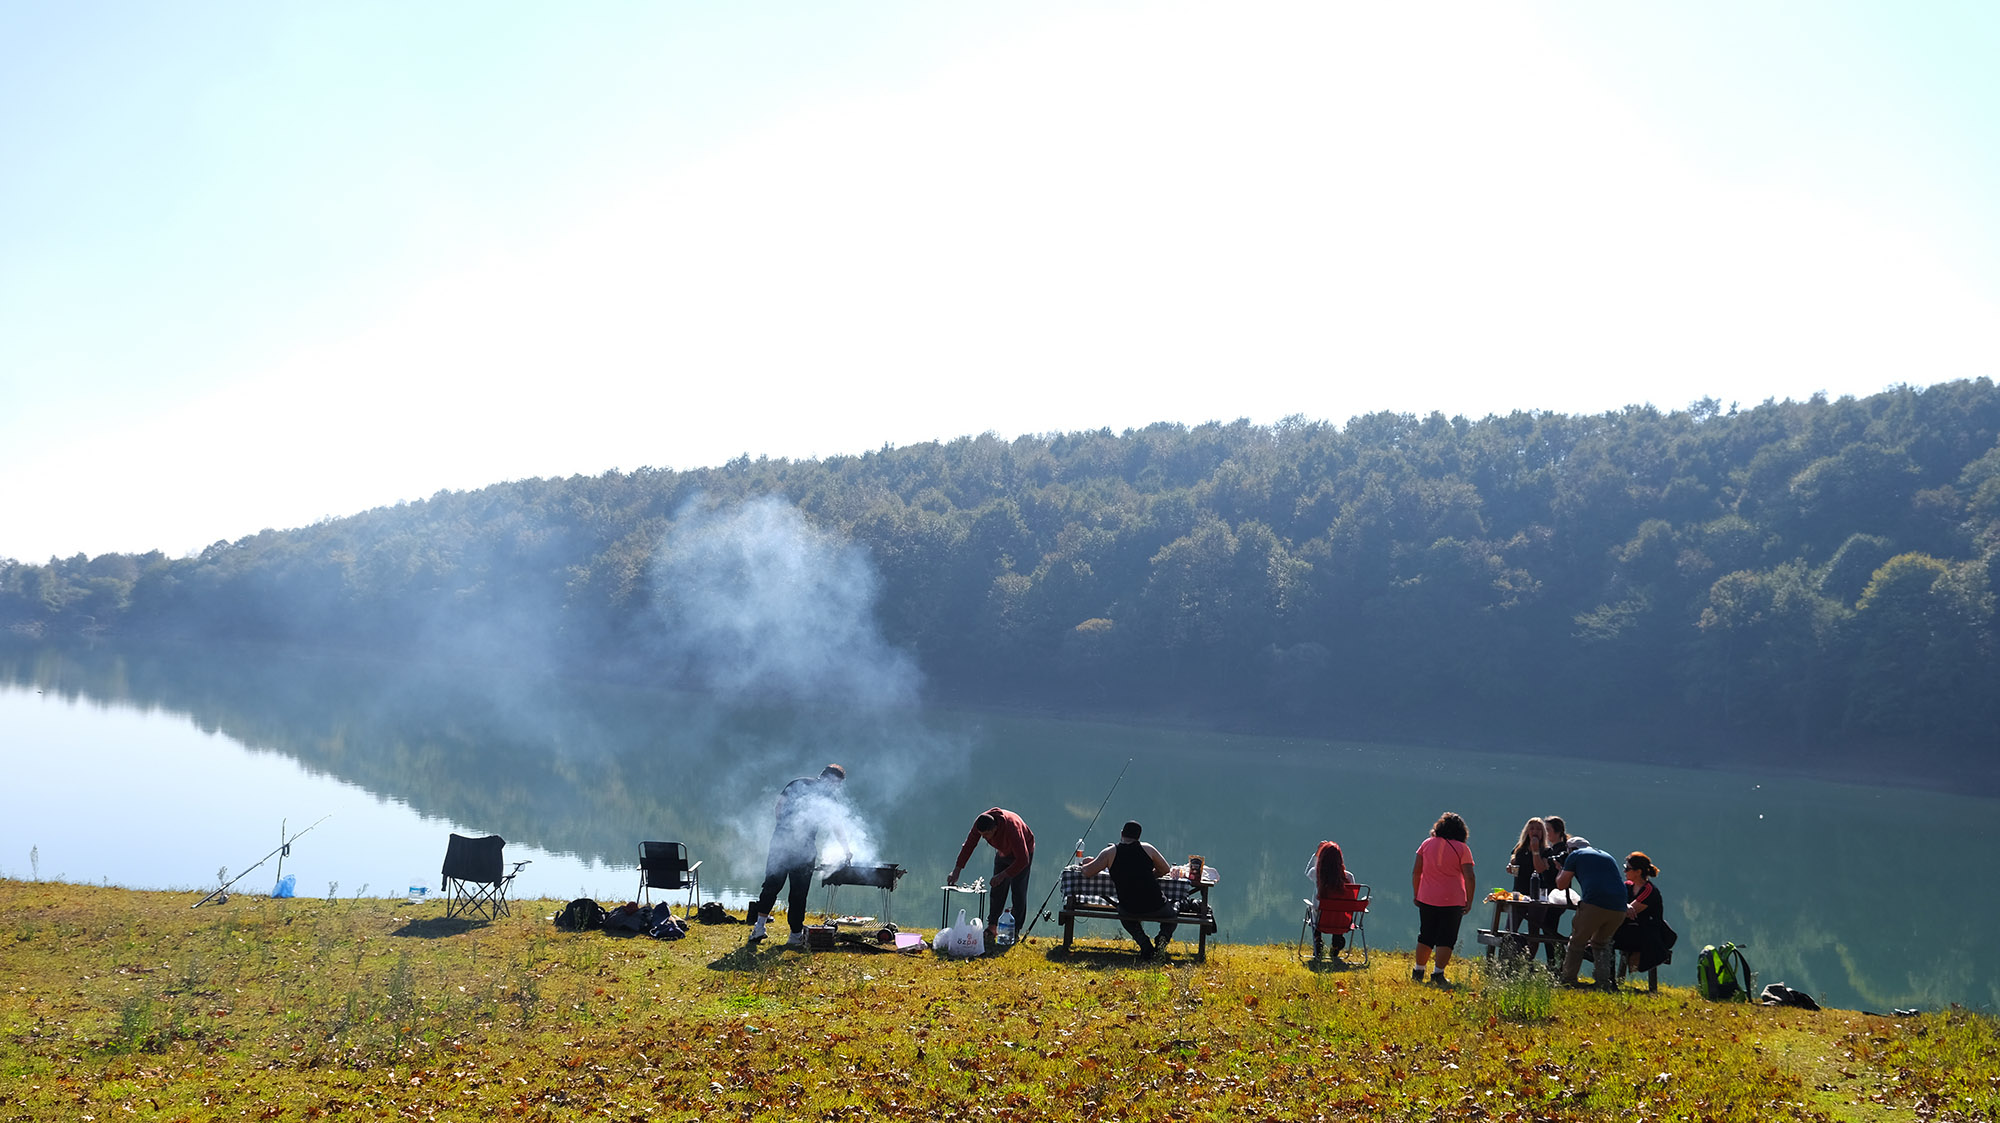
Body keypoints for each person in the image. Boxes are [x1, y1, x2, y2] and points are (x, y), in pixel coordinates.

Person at [748, 764, 848, 948]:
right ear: (829, 779)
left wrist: (782, 829)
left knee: (772, 884)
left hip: (781, 843)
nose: (836, 788)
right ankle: (793, 936)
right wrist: (845, 849)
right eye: (836, 784)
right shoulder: (828, 797)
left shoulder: (797, 783)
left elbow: (779, 806)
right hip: (804, 849)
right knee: (798, 892)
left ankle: (761, 928)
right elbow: (837, 825)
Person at [1078, 820, 1178, 959]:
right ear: (1138, 837)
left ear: (1121, 834)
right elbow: (1166, 869)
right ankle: (1162, 939)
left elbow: (1088, 872)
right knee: (1172, 916)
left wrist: (1084, 864)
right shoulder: (1148, 849)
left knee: (1122, 911)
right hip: (1156, 905)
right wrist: (1150, 875)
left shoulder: (1110, 853)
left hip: (1129, 907)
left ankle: (1143, 943)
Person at [947, 808, 1035, 937]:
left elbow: (1023, 859)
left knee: (1018, 890)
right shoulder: (981, 822)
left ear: (995, 829)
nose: (983, 838)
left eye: (985, 835)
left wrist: (1003, 874)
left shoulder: (1012, 827)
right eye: (981, 835)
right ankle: (992, 927)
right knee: (997, 887)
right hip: (1003, 851)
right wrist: (957, 869)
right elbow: (969, 845)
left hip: (1023, 852)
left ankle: (1014, 930)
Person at [1410, 812, 1476, 985]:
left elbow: (1417, 871)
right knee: (1447, 937)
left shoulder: (1426, 844)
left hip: (1427, 896)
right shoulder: (1462, 848)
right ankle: (1438, 974)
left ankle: (1418, 970)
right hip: (1453, 900)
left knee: (1426, 935)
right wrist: (1469, 900)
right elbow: (1469, 876)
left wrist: (1416, 893)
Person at [1553, 835, 1627, 989]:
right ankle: (1603, 983)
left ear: (1571, 850)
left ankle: (1568, 980)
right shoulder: (1606, 855)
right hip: (1619, 908)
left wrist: (1561, 868)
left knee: (1577, 942)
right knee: (1601, 944)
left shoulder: (1575, 856)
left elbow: (1561, 884)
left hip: (1595, 903)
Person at [1612, 851, 1676, 977]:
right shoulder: (1627, 886)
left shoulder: (1649, 891)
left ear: (1638, 872)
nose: (1624, 871)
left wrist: (1623, 907)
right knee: (1605, 934)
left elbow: (1626, 912)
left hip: (1646, 935)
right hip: (1632, 929)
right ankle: (1606, 976)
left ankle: (1608, 979)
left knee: (1607, 937)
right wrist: (1624, 906)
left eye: (1627, 869)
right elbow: (1615, 902)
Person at [1506, 817, 1561, 961]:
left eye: (1538, 829)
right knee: (1510, 928)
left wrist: (1536, 851)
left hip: (1537, 894)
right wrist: (1510, 867)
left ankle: (1528, 962)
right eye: (1532, 829)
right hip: (1518, 892)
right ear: (1527, 831)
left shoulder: (1547, 851)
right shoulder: (1519, 848)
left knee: (1534, 931)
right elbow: (1513, 861)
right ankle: (1507, 960)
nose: (1535, 831)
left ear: (1543, 833)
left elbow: (1540, 868)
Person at [1305, 840, 1360, 961]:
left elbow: (1307, 871)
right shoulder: (1349, 877)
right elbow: (1351, 901)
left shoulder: (1317, 874)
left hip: (1321, 921)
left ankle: (1317, 939)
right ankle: (1337, 940)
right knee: (1340, 909)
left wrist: (1317, 853)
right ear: (1340, 859)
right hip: (1342, 922)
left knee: (1314, 909)